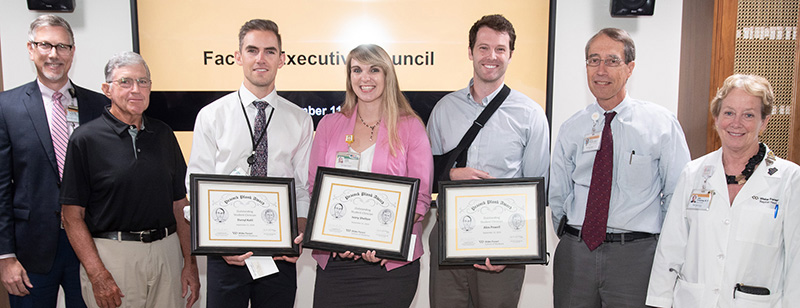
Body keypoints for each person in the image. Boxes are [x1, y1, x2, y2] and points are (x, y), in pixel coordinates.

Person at [549, 28, 690, 307]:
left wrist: (653, 244)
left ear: (630, 68)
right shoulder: (571, 128)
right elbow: (558, 196)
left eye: (612, 61)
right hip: (577, 254)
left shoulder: (660, 125)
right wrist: (573, 234)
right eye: (593, 60)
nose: (601, 70)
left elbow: (678, 193)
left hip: (635, 257)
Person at [185, 19, 313, 308]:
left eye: (270, 51)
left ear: (281, 60)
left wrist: (299, 233)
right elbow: (196, 185)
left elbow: (302, 187)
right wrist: (220, 245)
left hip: (279, 253)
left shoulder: (300, 119)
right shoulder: (211, 115)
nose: (260, 59)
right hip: (226, 254)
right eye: (252, 50)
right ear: (238, 57)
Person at [426, 14, 550, 307]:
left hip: (502, 245)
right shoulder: (444, 109)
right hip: (448, 239)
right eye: (483, 48)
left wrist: (511, 252)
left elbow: (535, 191)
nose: (491, 56)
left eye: (500, 49)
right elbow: (426, 174)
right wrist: (451, 175)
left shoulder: (530, 115)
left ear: (510, 55)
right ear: (470, 52)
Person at [59, 52, 199, 308]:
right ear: (107, 89)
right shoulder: (85, 139)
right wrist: (97, 274)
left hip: (166, 256)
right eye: (125, 82)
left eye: (143, 82)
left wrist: (190, 264)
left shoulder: (164, 134)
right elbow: (71, 216)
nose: (136, 89)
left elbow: (180, 205)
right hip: (113, 258)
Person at [646, 74, 800, 307]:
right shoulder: (693, 173)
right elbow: (671, 247)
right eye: (728, 113)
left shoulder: (789, 179)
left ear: (764, 122)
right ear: (716, 118)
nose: (736, 123)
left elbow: (796, 260)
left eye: (748, 115)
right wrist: (659, 301)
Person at [307, 44, 432, 308]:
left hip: (390, 266)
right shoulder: (329, 125)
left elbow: (420, 200)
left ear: (387, 75)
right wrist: (336, 238)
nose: (365, 78)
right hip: (336, 263)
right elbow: (315, 189)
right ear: (349, 77)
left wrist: (387, 242)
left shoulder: (410, 127)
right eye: (357, 70)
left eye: (374, 69)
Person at [0, 14, 108, 308]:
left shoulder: (99, 106)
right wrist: (5, 257)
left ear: (72, 52)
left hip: (90, 246)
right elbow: (1, 189)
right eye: (45, 45)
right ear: (30, 48)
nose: (53, 54)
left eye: (62, 46)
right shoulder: (6, 107)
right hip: (30, 251)